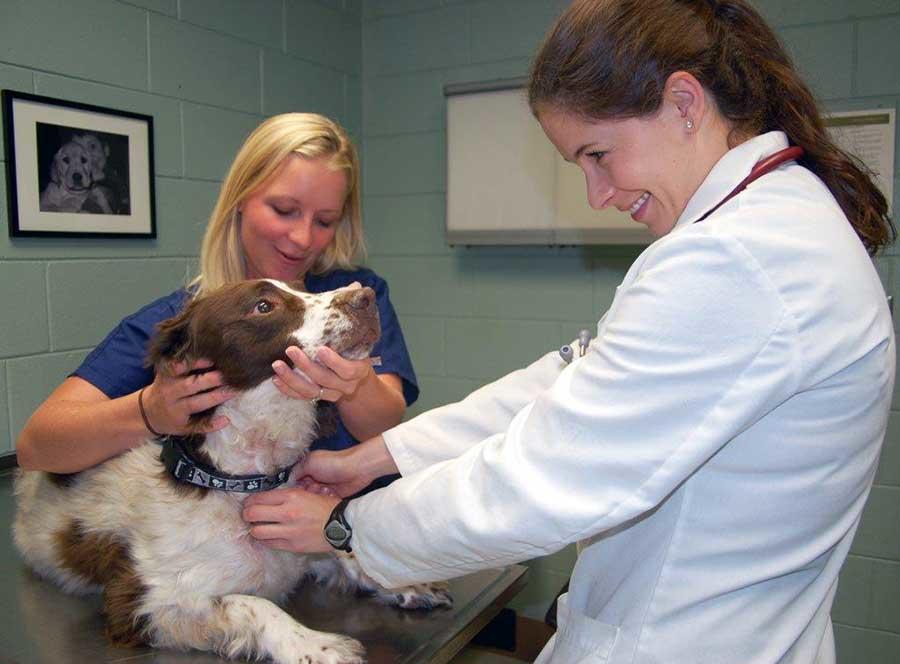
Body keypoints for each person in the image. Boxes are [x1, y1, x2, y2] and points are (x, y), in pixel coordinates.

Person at [242, 1, 896, 662]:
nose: (597, 194)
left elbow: (542, 479)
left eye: (599, 154)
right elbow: (567, 382)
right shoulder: (764, 231)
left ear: (685, 103)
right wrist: (374, 459)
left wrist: (344, 528)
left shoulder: (738, 261)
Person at [16, 113, 417, 475]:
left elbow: (383, 423)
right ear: (241, 197)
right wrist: (149, 411)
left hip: (341, 529)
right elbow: (37, 447)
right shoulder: (190, 320)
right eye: (283, 210)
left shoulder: (352, 294)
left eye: (325, 221)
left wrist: (357, 385)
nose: (302, 238)